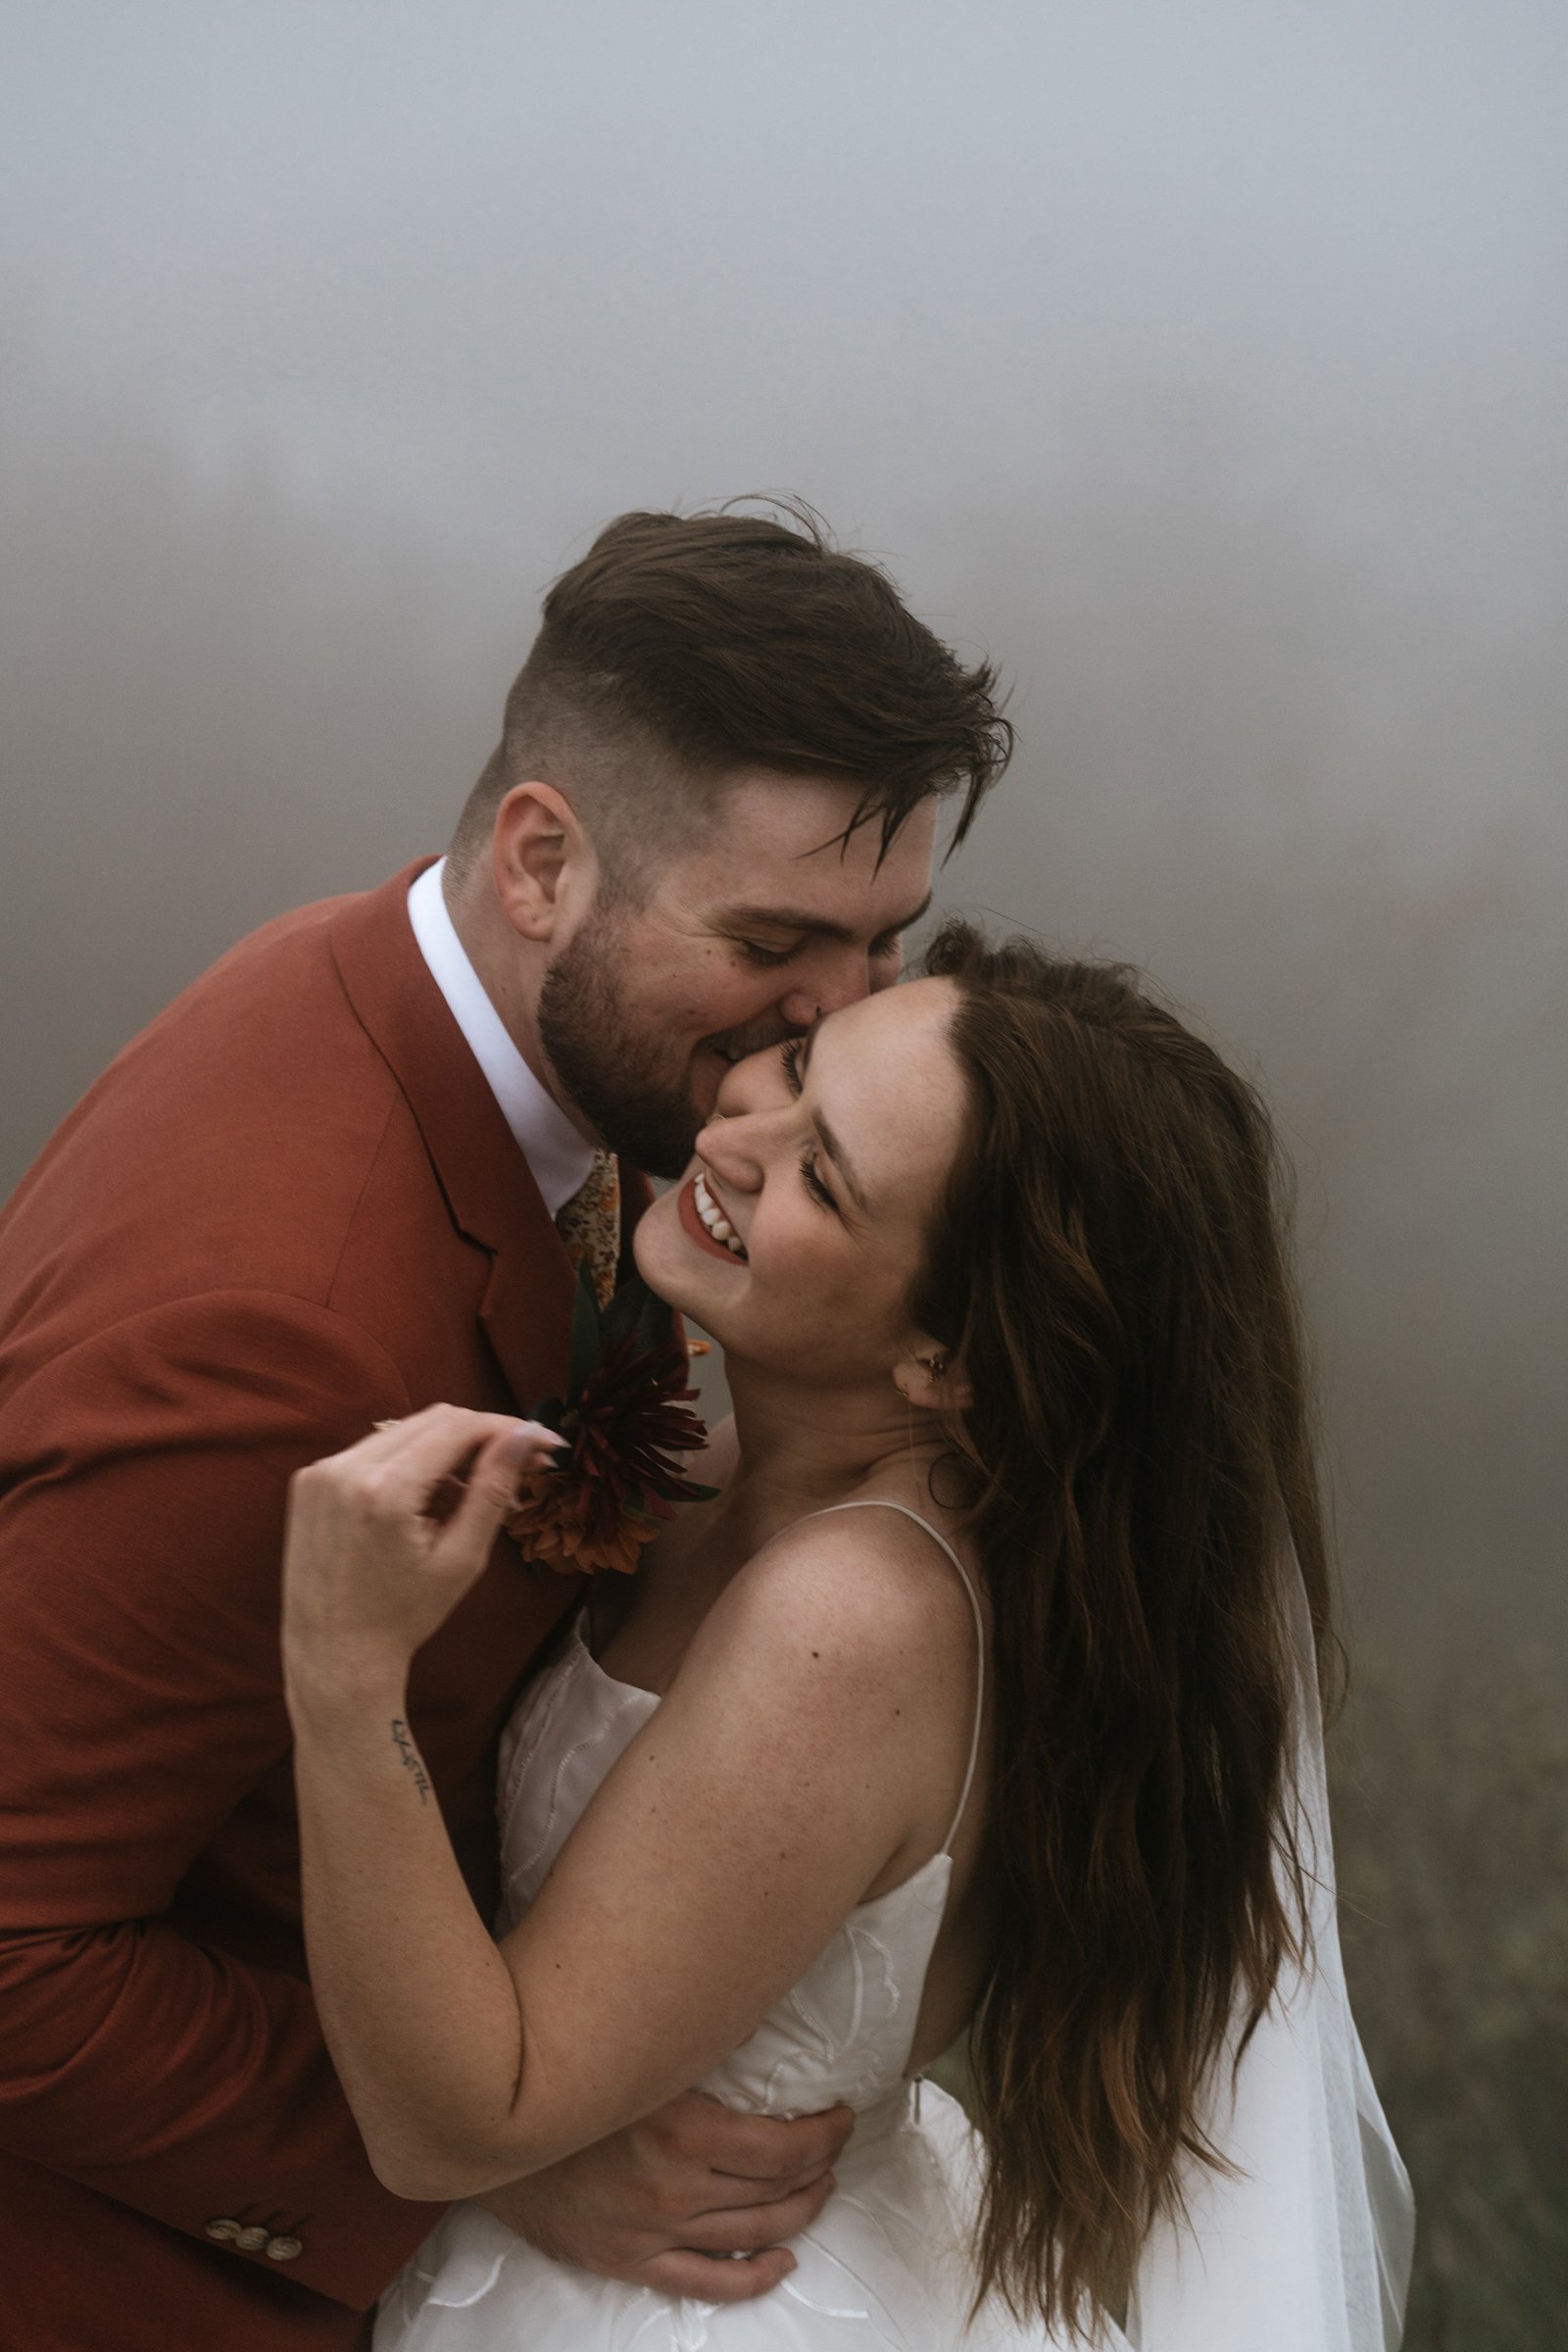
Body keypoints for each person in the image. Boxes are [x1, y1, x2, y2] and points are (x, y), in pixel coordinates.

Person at [0, 505, 1010, 2351]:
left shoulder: (520, 1058)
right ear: (541, 861)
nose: (840, 1019)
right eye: (780, 938)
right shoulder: (279, 1331)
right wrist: (468, 2154)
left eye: (886, 944)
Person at [280, 925, 1415, 2350]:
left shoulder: (858, 1616)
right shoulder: (714, 1461)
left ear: (948, 1359)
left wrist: (341, 1673)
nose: (742, 1137)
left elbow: (466, 2117)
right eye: (799, 1068)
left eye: (824, 1176)